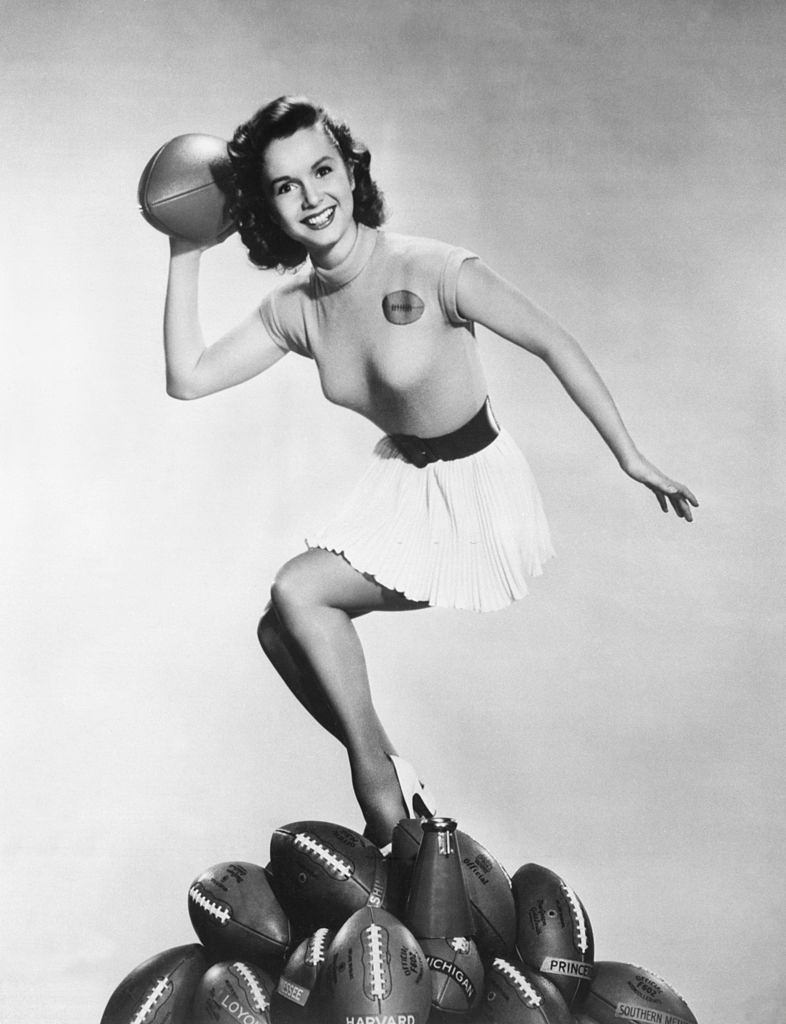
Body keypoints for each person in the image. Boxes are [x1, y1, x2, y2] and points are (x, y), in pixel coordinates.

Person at [162, 95, 698, 849]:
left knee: (299, 592)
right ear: (265, 205)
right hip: (405, 487)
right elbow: (187, 377)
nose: (312, 197)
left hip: (475, 491)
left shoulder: (433, 267)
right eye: (286, 186)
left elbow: (554, 342)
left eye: (322, 170)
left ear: (351, 172)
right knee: (279, 633)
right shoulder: (297, 309)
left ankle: (381, 789)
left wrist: (631, 455)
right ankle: (390, 773)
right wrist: (185, 244)